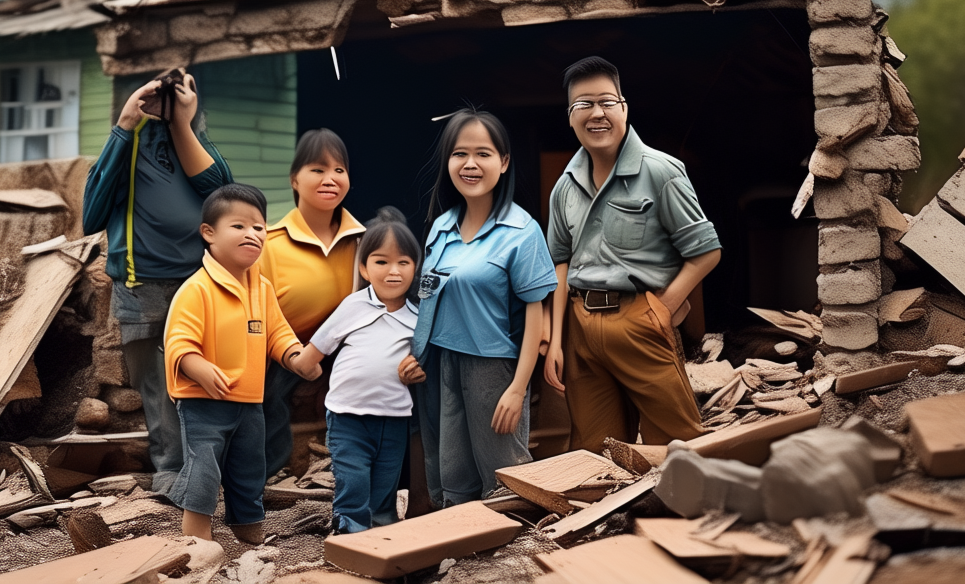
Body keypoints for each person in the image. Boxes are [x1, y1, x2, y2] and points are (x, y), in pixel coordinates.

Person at [543, 56, 722, 450]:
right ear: (570, 117)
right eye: (583, 104)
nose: (597, 113)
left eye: (607, 101)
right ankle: (614, 515)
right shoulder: (565, 187)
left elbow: (706, 252)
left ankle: (681, 512)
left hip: (639, 321)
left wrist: (664, 307)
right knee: (595, 449)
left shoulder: (661, 171)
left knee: (674, 444)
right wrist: (556, 340)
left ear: (624, 107)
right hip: (580, 328)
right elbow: (560, 262)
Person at [82, 71, 232, 501]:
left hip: (199, 285)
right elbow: (91, 215)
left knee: (202, 381)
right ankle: (172, 477)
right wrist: (125, 125)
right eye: (153, 90)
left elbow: (220, 192)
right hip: (141, 287)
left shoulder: (196, 145)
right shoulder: (123, 148)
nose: (161, 99)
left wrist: (182, 123)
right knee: (157, 387)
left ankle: (207, 476)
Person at [409, 111, 557, 507]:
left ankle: (509, 562)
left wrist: (517, 388)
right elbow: (429, 298)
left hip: (491, 368)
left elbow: (534, 314)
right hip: (440, 366)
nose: (470, 164)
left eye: (483, 154)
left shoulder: (521, 231)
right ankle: (461, 559)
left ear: (504, 162)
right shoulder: (441, 227)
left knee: (502, 473)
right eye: (460, 154)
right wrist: (416, 354)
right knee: (450, 469)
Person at [162, 183, 312, 543]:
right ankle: (197, 534)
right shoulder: (197, 289)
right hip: (204, 403)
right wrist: (197, 366)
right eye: (239, 226)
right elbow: (178, 341)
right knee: (204, 468)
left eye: (259, 227)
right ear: (209, 233)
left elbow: (278, 332)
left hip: (248, 401)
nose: (252, 234)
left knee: (249, 467)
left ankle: (248, 527)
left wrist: (296, 356)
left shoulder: (260, 288)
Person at [292, 208, 423, 534]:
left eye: (403, 262)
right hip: (348, 417)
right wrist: (301, 369)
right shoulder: (353, 306)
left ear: (415, 267)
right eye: (381, 262)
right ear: (364, 267)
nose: (393, 271)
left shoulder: (419, 320)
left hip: (394, 420)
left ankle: (381, 540)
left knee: (384, 487)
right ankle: (349, 536)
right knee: (353, 483)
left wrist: (419, 371)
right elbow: (314, 353)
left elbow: (424, 366)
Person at [259, 129, 366, 476]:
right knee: (264, 389)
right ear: (295, 178)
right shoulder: (270, 244)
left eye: (339, 170)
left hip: (347, 349)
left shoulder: (364, 241)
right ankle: (270, 478)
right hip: (284, 351)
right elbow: (259, 316)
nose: (330, 178)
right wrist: (293, 355)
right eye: (317, 169)